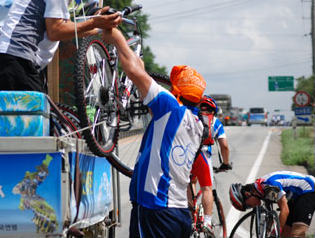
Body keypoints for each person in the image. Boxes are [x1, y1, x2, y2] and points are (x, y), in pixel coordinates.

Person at [101, 28, 206, 238]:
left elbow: (133, 71)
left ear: (176, 90)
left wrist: (115, 35)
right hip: (180, 212)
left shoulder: (169, 107)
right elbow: (141, 79)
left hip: (157, 210)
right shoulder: (198, 124)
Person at [189, 95, 232, 235]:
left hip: (188, 155)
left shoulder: (191, 117)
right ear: (214, 110)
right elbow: (224, 146)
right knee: (207, 188)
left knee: (191, 183)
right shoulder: (215, 122)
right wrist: (225, 163)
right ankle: (207, 221)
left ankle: (191, 217)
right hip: (203, 156)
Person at [229, 171, 315, 237]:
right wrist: (268, 231)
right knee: (285, 233)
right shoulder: (260, 190)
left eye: (248, 205)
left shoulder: (269, 186)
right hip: (296, 196)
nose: (251, 207)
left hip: (309, 189)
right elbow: (270, 216)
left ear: (248, 194)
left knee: (297, 232)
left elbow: (285, 210)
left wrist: (274, 233)